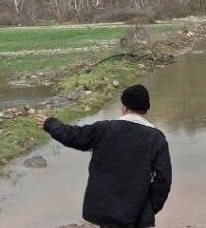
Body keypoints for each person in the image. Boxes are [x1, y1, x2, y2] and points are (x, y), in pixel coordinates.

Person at [36, 84, 172, 228]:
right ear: (145, 110)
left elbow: (73, 136)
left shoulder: (104, 129)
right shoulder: (157, 139)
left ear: (124, 107)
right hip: (137, 215)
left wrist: (50, 124)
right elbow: (163, 180)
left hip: (104, 210)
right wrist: (149, 207)